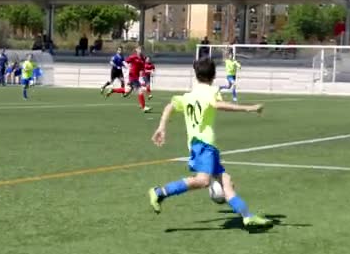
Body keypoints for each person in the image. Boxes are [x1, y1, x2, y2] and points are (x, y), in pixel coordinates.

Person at [147, 57, 272, 228]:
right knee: (203, 181)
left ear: (196, 74)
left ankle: (247, 216)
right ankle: (160, 192)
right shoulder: (211, 92)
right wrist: (248, 108)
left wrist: (162, 127)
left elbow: (170, 106)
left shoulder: (189, 95)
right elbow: (218, 105)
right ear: (213, 75)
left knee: (226, 182)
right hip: (203, 144)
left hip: (203, 146)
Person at [103, 46, 151, 113]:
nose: (140, 50)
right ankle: (143, 107)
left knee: (127, 90)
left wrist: (142, 74)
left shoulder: (142, 58)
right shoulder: (133, 57)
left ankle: (112, 90)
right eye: (139, 49)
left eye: (141, 49)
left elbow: (142, 68)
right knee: (140, 91)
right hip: (132, 76)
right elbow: (125, 62)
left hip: (136, 77)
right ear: (136, 50)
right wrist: (128, 67)